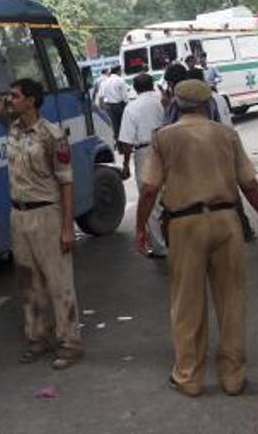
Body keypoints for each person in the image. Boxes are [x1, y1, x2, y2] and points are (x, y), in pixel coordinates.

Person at [0, 26, 82, 369]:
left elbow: (66, 182)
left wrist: (66, 228)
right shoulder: (12, 126)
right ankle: (38, 338)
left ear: (31, 101)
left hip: (47, 215)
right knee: (28, 281)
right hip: (18, 216)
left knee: (59, 281)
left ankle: (69, 343)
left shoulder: (52, 136)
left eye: (15, 96)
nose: (9, 100)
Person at [136, 79, 258, 397]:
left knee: (187, 302)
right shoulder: (227, 134)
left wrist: (140, 228)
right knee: (232, 299)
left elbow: (149, 189)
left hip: (184, 224)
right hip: (226, 220)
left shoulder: (163, 137)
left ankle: (188, 376)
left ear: (175, 103)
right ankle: (233, 377)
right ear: (207, 104)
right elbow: (250, 185)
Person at [118, 73, 167, 258]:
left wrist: (125, 164)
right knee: (168, 196)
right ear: (152, 85)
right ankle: (175, 239)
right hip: (165, 147)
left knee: (150, 199)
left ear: (135, 88)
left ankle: (160, 246)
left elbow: (126, 142)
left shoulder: (132, 108)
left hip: (145, 152)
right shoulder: (160, 103)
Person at [98, 66, 129, 141]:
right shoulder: (120, 80)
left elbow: (100, 97)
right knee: (124, 126)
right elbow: (125, 97)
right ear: (118, 71)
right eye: (121, 71)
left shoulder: (104, 82)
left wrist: (101, 109)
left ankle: (119, 146)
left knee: (115, 127)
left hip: (108, 107)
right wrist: (127, 106)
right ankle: (126, 144)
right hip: (120, 105)